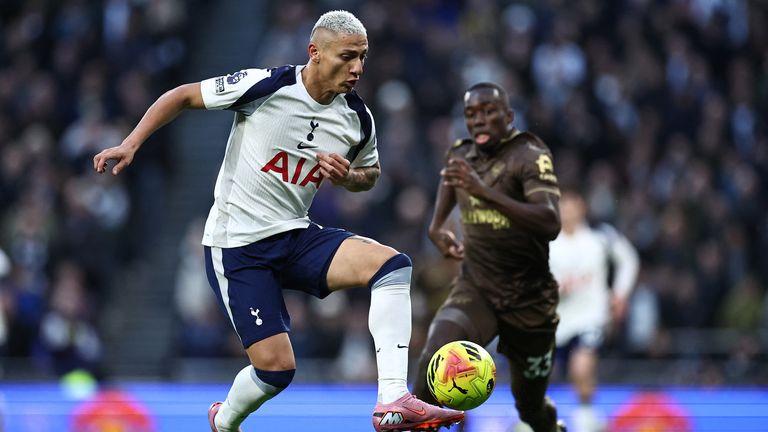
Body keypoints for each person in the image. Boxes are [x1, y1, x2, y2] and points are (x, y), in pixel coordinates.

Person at [93, 10, 463, 432]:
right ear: (315, 52)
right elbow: (182, 96)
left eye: (362, 56)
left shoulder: (357, 118)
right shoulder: (267, 86)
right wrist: (131, 143)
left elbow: (371, 174)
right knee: (276, 371)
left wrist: (349, 177)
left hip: (294, 234)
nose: (358, 68)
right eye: (347, 56)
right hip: (238, 245)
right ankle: (224, 421)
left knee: (392, 265)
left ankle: (393, 399)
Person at [412, 82, 566, 432]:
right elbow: (452, 179)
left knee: (530, 408)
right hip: (477, 288)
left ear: (509, 116)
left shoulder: (530, 155)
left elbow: (550, 221)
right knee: (432, 364)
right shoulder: (461, 154)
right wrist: (436, 227)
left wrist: (483, 192)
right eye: (471, 114)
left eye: (488, 112)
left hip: (529, 299)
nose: (479, 121)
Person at [549, 189, 639, 432]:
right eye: (562, 206)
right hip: (557, 322)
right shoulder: (547, 241)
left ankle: (586, 418)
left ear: (582, 207)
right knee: (548, 375)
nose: (567, 211)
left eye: (571, 205)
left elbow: (629, 259)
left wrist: (620, 293)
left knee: (581, 367)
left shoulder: (601, 236)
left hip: (591, 317)